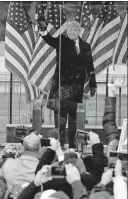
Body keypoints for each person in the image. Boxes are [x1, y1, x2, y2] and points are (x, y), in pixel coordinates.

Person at [37, 18, 97, 148]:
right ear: (66, 31)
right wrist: (43, 28)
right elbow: (48, 39)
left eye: (74, 30)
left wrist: (92, 84)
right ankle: (60, 144)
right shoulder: (61, 41)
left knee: (73, 119)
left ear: (79, 31)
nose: (72, 32)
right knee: (60, 118)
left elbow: (90, 67)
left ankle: (72, 145)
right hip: (61, 86)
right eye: (69, 30)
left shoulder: (86, 46)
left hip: (76, 89)